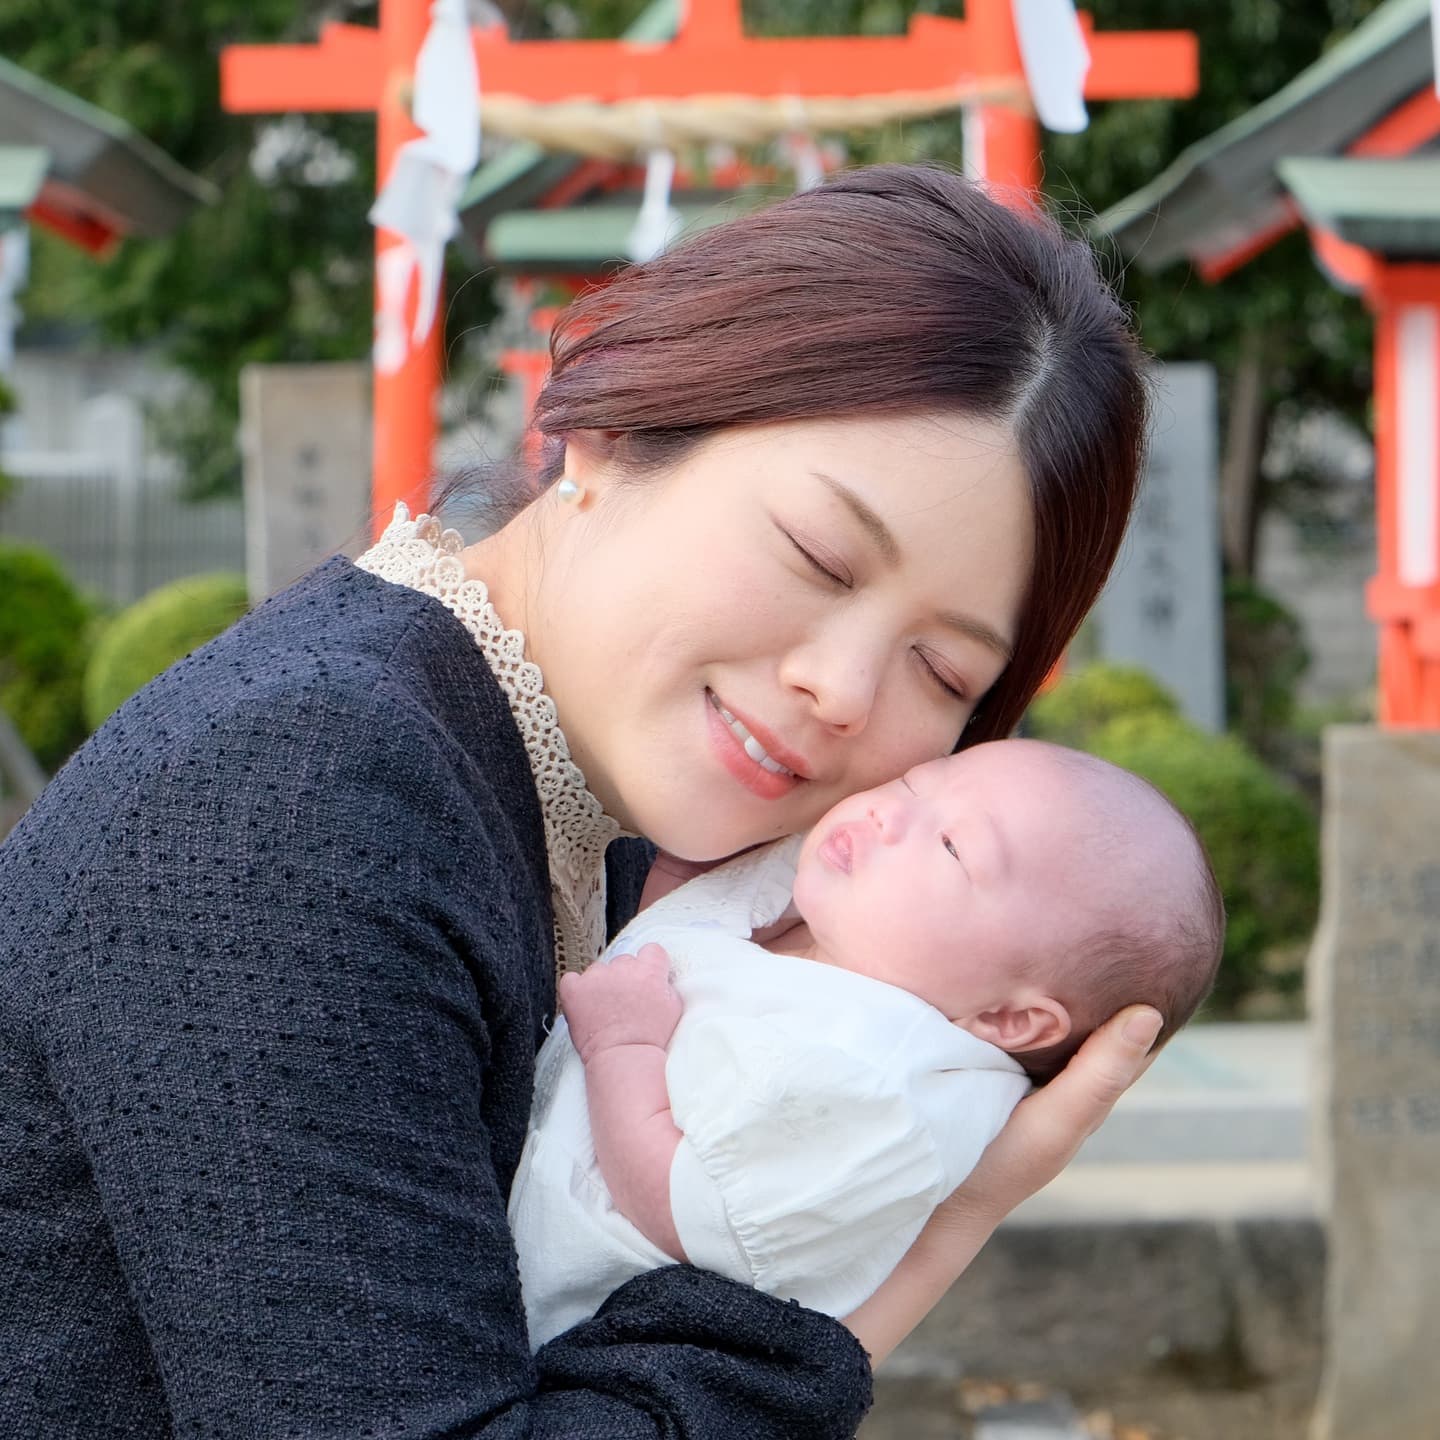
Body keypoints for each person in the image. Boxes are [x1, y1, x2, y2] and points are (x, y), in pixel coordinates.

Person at [1, 166, 1165, 1439]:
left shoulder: (583, 806)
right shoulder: (302, 800)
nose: (840, 690)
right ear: (610, 429)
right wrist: (913, 1255)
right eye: (819, 557)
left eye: (941, 670)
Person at [512, 739, 1225, 1347]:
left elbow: (689, 1215)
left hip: (551, 1329)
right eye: (915, 783)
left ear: (1011, 1021)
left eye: (952, 845)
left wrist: (624, 1049)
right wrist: (682, 892)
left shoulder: (881, 1091)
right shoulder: (842, 939)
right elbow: (692, 980)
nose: (888, 812)